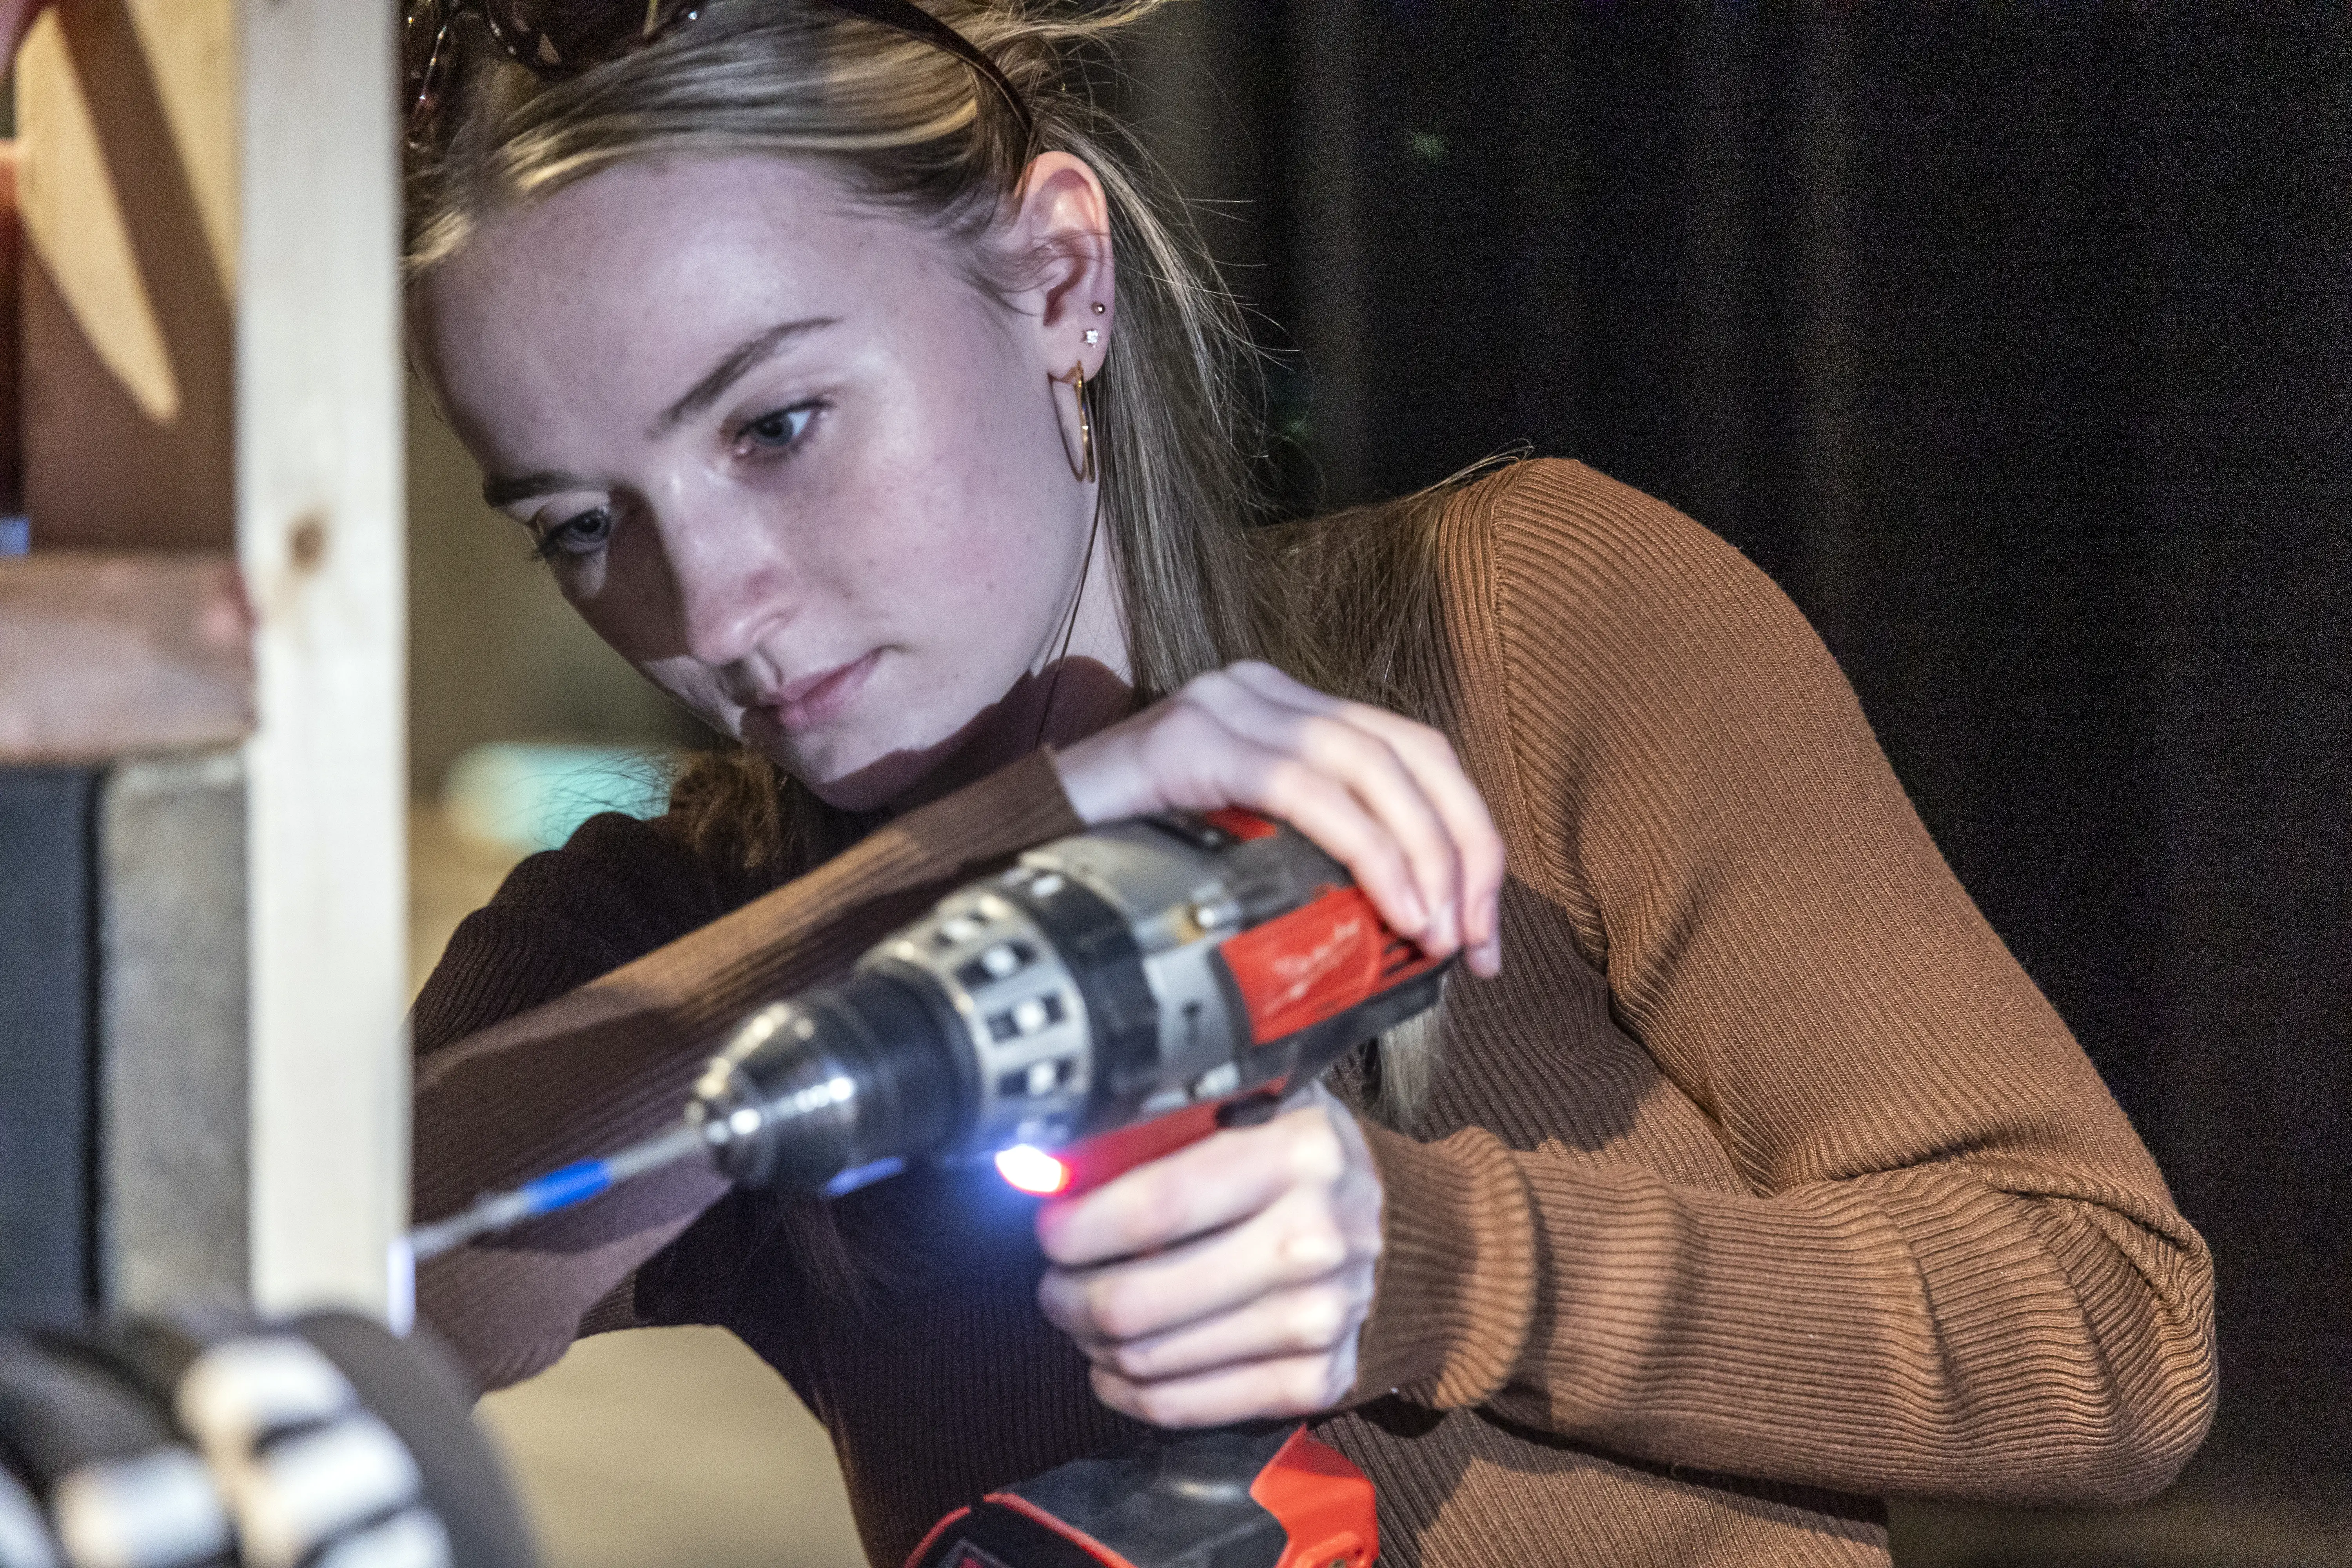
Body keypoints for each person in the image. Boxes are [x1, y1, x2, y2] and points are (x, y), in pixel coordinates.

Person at [401, 3, 2217, 1564]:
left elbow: (2112, 1330)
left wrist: (1431, 1262)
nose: (709, 606)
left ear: (1058, 279)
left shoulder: (1521, 624)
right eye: (579, 523)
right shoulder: (678, 934)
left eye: (777, 425)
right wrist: (998, 846)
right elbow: (373, 1279)